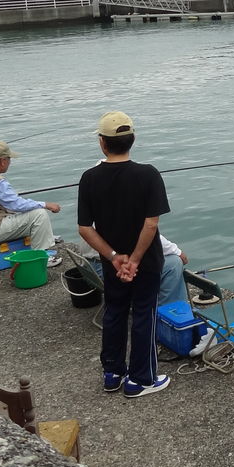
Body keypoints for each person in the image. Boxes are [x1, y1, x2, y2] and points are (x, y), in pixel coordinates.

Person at [77, 111, 172, 398]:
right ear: (132, 140)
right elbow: (151, 223)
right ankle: (141, 379)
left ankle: (112, 373)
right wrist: (136, 259)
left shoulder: (89, 178)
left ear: (102, 143)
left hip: (112, 263)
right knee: (144, 313)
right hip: (147, 262)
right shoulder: (148, 174)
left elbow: (84, 228)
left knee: (115, 311)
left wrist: (115, 256)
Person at [0, 141, 62, 263]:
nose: (10, 162)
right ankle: (42, 258)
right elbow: (16, 205)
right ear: (3, 161)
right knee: (39, 214)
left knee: (22, 212)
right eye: (9, 159)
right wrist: (46, 204)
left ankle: (45, 237)